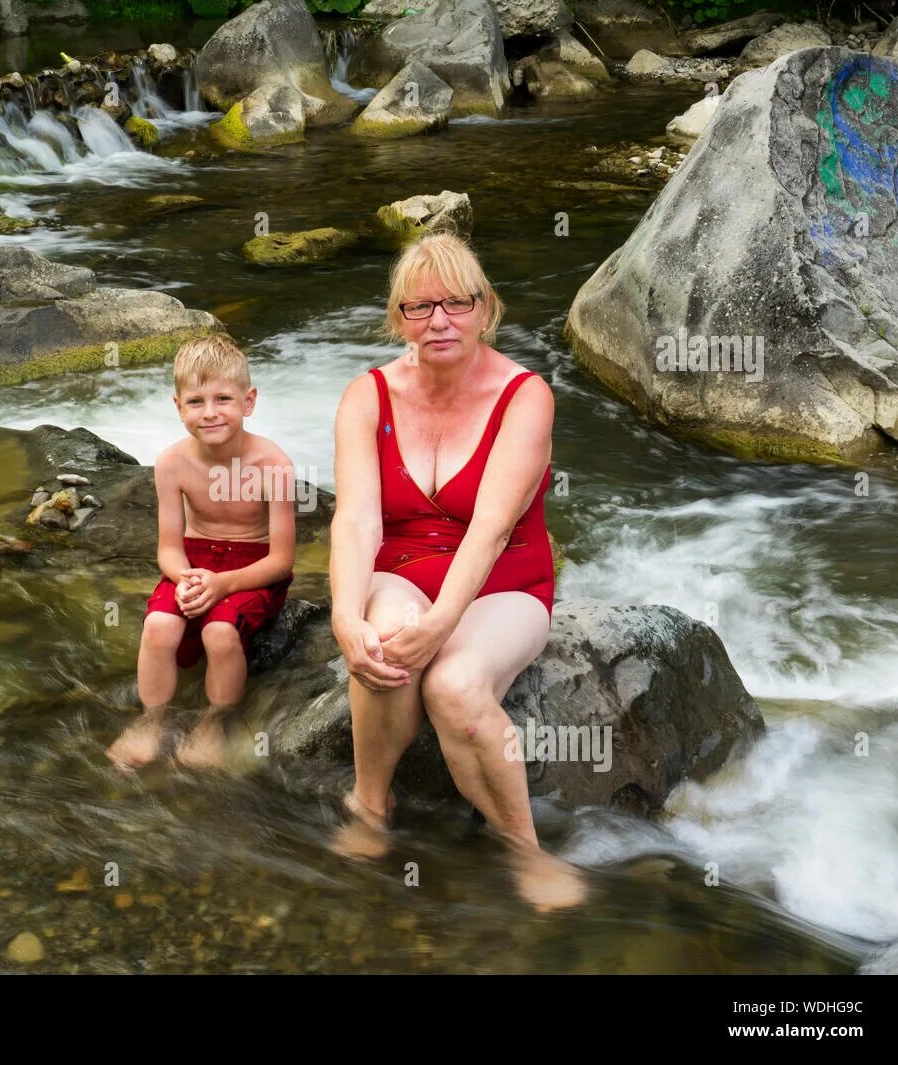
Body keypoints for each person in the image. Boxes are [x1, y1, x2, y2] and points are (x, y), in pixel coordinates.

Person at [328, 232, 585, 911]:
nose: (438, 320)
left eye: (455, 303)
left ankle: (526, 851)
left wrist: (442, 622)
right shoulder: (367, 397)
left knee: (455, 683)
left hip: (506, 581)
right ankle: (371, 805)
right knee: (383, 647)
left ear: (485, 309)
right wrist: (344, 614)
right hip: (401, 571)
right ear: (397, 319)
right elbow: (357, 520)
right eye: (418, 308)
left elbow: (492, 527)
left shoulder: (525, 396)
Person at [107, 335, 296, 771]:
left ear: (248, 402)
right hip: (194, 562)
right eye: (195, 402)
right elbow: (169, 548)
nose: (209, 412)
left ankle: (215, 720)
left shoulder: (273, 465)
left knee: (219, 633)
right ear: (178, 407)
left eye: (223, 399)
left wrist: (224, 583)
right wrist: (186, 577)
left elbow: (282, 560)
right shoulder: (171, 464)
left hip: (254, 566)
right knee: (157, 626)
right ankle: (152, 720)